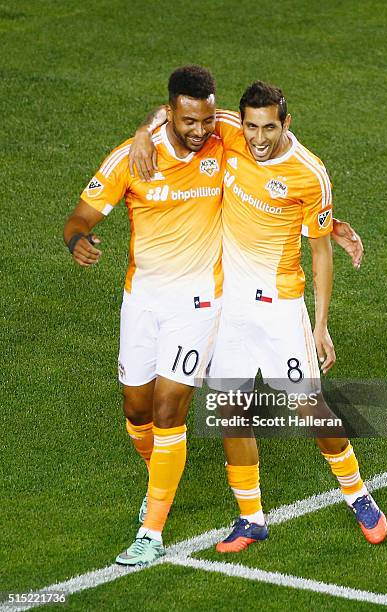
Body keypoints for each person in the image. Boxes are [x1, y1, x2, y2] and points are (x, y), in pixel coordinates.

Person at [129, 78, 387, 554]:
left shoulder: (311, 173)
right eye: (251, 127)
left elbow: (320, 252)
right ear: (241, 122)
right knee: (232, 410)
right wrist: (145, 131)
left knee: (311, 408)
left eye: (269, 128)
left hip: (280, 309)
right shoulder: (226, 128)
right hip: (226, 306)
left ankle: (358, 495)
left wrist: (321, 323)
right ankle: (251, 518)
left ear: (286, 123)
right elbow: (167, 113)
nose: (259, 139)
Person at [63, 65, 225, 566]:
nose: (200, 131)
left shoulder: (225, 138)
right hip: (143, 301)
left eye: (205, 120)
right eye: (188, 121)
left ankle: (150, 532)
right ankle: (161, 479)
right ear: (171, 111)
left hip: (199, 301)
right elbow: (81, 215)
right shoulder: (133, 157)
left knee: (168, 407)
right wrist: (77, 241)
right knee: (137, 412)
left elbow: (278, 142)